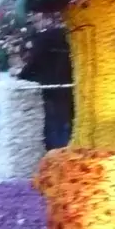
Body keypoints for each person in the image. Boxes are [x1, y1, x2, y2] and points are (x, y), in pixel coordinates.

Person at [17, 21, 74, 150]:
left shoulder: (42, 41)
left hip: (49, 93)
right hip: (69, 91)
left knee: (54, 129)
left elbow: (32, 66)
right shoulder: (68, 39)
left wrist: (20, 78)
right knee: (66, 126)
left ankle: (55, 157)